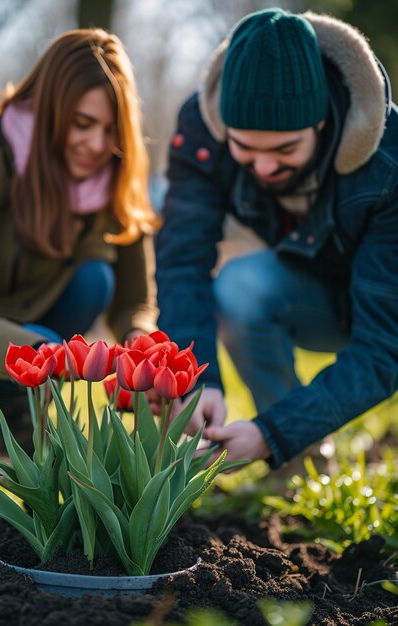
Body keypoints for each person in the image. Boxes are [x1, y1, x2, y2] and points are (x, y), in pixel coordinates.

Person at [155, 8, 398, 471]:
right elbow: (181, 259)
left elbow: (385, 345)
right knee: (240, 287)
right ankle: (302, 463)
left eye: (284, 149)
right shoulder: (202, 132)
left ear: (322, 122)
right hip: (305, 290)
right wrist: (196, 378)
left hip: (384, 305)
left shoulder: (389, 160)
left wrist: (272, 432)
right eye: (244, 148)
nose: (264, 168)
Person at [0, 28, 158, 469]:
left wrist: (144, 355)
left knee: (94, 280)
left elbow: (133, 303)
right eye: (82, 123)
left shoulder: (113, 176)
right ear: (49, 109)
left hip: (41, 341)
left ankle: (11, 411)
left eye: (111, 129)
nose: (96, 145)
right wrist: (37, 354)